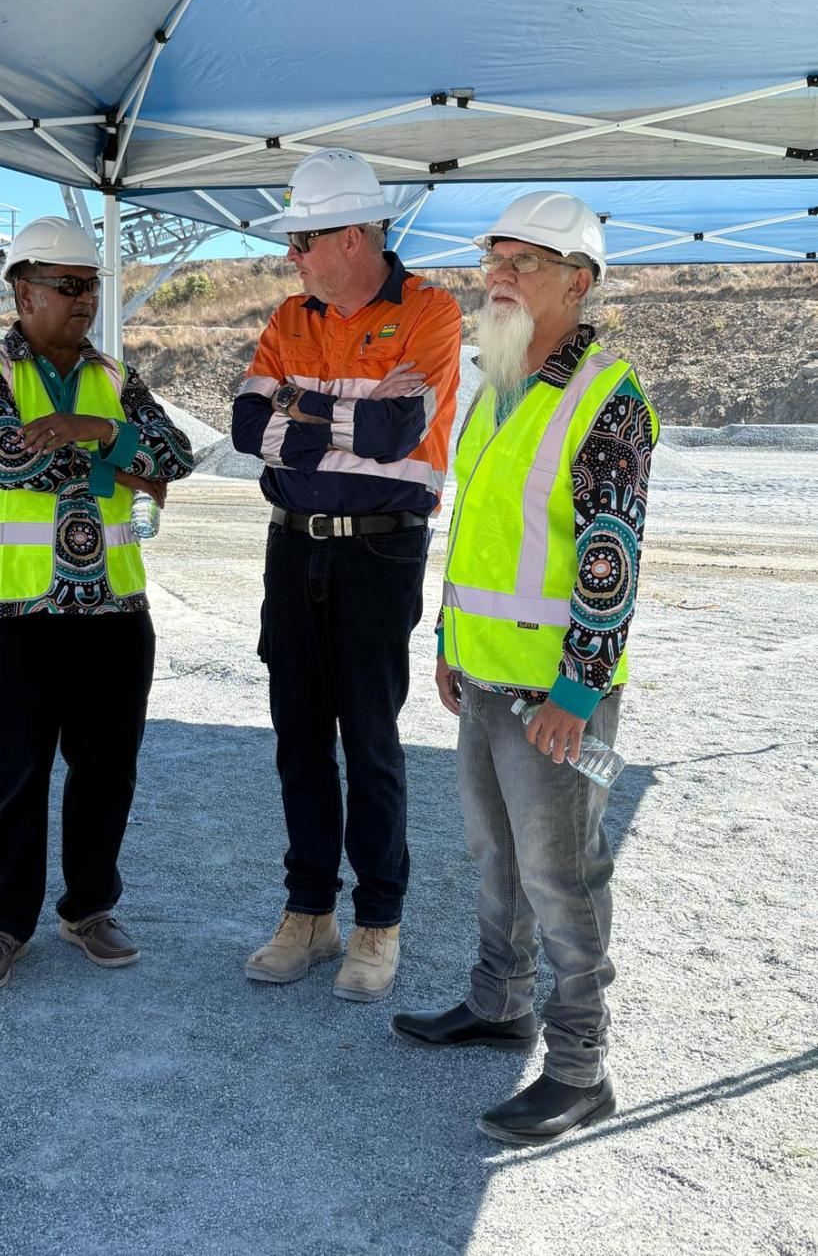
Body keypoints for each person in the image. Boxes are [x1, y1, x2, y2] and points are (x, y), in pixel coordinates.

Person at [391, 191, 658, 1143]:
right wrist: (449, 643)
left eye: (525, 263)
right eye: (494, 262)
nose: (498, 277)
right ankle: (499, 1004)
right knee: (495, 858)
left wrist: (578, 691)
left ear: (578, 284)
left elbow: (609, 556)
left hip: (555, 694)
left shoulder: (608, 396)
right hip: (485, 673)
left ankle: (582, 1068)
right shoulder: (498, 383)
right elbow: (478, 535)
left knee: (564, 876)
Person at [232, 148, 462, 1002]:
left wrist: (303, 406)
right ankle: (309, 912)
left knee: (368, 738)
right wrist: (337, 416)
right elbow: (243, 424)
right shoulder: (291, 316)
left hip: (379, 549)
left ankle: (378, 921)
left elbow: (399, 431)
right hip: (293, 544)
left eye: (305, 239)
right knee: (297, 734)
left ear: (358, 236)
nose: (292, 256)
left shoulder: (432, 312)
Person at [0, 215, 194, 992]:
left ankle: (89, 907)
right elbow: (6, 455)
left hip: (116, 617)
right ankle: (3, 922)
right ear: (23, 291)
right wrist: (119, 461)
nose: (86, 298)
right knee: (15, 774)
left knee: (107, 770)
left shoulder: (113, 380)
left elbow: (177, 456)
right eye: (69, 285)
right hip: (20, 615)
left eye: (91, 285)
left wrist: (87, 428)